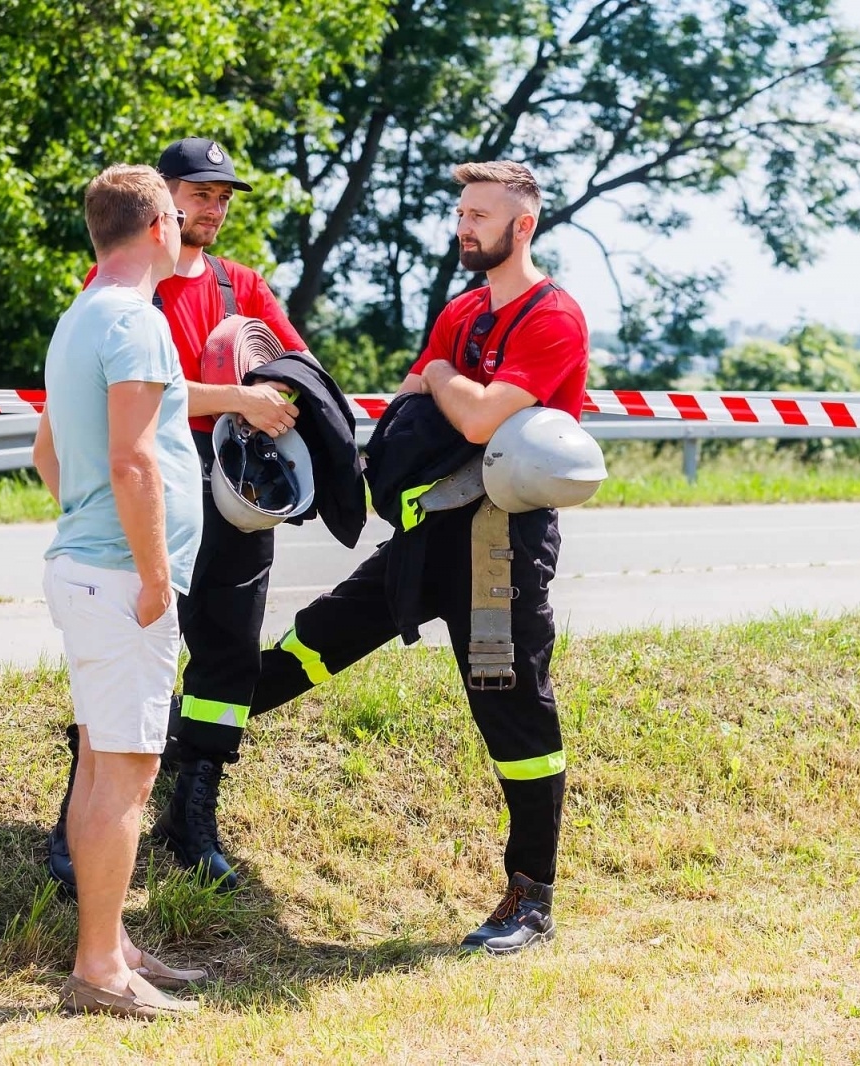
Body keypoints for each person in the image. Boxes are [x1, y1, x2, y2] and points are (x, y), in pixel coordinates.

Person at [246, 160, 590, 955]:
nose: (464, 226)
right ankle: (181, 757)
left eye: (480, 215)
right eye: (462, 212)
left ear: (523, 225)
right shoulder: (462, 311)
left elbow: (471, 420)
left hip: (500, 548)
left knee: (513, 711)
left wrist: (442, 376)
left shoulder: (553, 318)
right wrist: (443, 383)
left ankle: (529, 899)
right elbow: (407, 411)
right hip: (426, 535)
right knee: (317, 638)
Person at [45, 138, 307, 895]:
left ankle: (192, 820)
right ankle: (80, 827)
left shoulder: (242, 286)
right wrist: (235, 397)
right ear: (161, 201)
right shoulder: (122, 289)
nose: (214, 208)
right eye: (199, 193)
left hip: (232, 496)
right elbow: (134, 401)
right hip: (152, 497)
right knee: (120, 673)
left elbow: (290, 373)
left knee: (225, 661)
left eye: (224, 197)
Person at [32, 163, 205, 1017]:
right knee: (127, 777)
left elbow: (46, 455)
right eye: (179, 213)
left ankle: (115, 944)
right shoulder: (136, 324)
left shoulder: (80, 317)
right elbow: (135, 459)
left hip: (86, 568)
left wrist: (89, 522)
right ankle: (99, 970)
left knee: (102, 763)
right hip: (121, 581)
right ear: (156, 226)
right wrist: (153, 575)